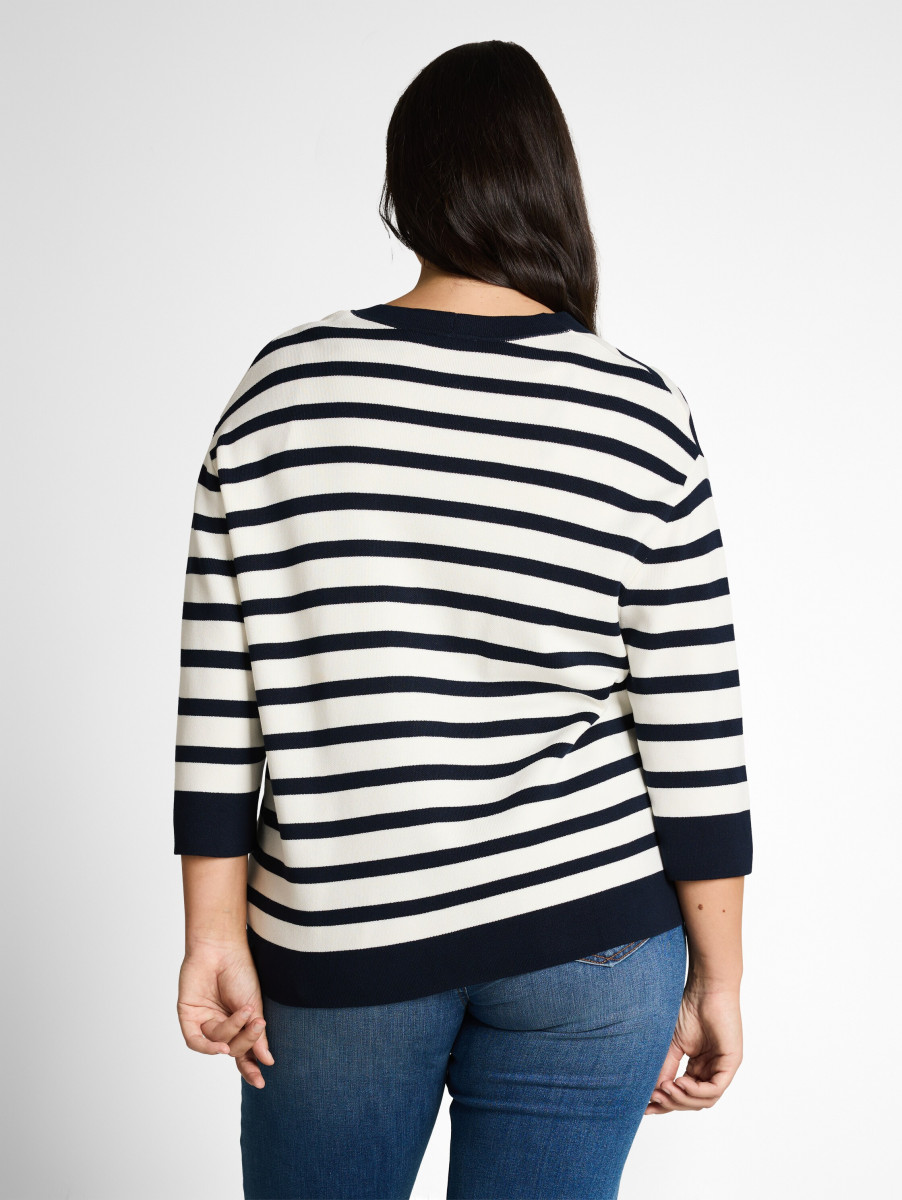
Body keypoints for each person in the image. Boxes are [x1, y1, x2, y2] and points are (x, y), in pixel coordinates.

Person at [173, 39, 752, 1200]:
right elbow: (690, 722)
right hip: (589, 934)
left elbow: (219, 701)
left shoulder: (283, 389)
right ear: (550, 183)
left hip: (342, 931)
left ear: (407, 189)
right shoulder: (635, 407)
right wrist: (720, 975)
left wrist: (213, 931)